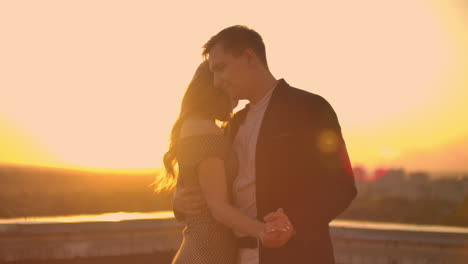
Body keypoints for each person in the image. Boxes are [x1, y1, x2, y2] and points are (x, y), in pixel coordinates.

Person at [173, 25, 358, 264]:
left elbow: (341, 186)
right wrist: (178, 201)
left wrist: (293, 223)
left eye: (221, 68)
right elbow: (211, 188)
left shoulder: (309, 108)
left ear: (249, 57)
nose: (217, 82)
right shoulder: (231, 126)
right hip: (237, 257)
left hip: (296, 256)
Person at [155, 60, 294, 264]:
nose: (236, 100)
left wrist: (178, 200)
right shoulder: (203, 129)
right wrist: (264, 230)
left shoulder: (200, 127)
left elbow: (193, 186)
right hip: (205, 254)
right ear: (214, 89)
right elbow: (217, 207)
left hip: (208, 251)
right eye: (229, 88)